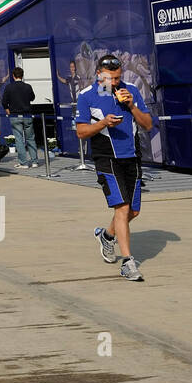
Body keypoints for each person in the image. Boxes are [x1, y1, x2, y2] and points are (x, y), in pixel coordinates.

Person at [76, 54, 154, 281]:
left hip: (132, 156)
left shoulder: (130, 90)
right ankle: (128, 263)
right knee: (122, 208)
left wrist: (131, 105)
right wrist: (103, 123)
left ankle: (107, 236)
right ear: (99, 75)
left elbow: (148, 125)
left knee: (133, 211)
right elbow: (81, 132)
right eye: (111, 78)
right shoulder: (87, 96)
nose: (116, 82)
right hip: (106, 157)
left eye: (118, 77)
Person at [2, 66, 39, 169]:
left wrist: (7, 110)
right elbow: (32, 98)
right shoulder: (28, 86)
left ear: (13, 76)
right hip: (27, 115)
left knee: (19, 139)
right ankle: (34, 161)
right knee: (31, 138)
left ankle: (23, 163)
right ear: (22, 76)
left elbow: (4, 101)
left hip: (14, 115)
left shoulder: (9, 87)